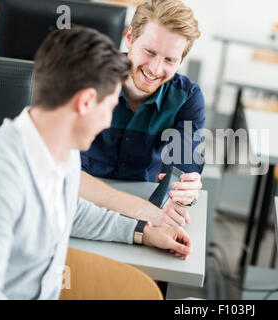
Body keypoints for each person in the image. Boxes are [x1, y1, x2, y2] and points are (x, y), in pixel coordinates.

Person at [0, 26, 192, 300]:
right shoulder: (0, 173)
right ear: (85, 103)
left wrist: (144, 232)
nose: (109, 122)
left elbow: (71, 210)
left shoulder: (64, 151)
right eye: (108, 109)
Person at [79, 0, 204, 227]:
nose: (155, 69)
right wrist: (143, 211)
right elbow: (68, 173)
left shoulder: (188, 97)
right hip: (84, 208)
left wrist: (186, 189)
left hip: (145, 213)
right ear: (129, 38)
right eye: (149, 51)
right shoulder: (89, 79)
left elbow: (184, 165)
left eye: (170, 60)